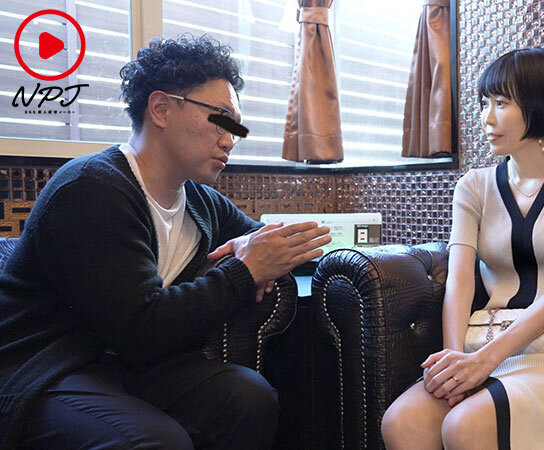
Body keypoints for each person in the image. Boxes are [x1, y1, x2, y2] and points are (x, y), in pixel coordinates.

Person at [0, 35, 331, 449]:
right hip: (44, 369)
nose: (229, 139)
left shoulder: (200, 202)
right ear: (160, 108)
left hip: (125, 366)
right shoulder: (90, 189)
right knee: (159, 440)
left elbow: (271, 245)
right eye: (221, 119)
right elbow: (141, 329)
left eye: (236, 127)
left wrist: (266, 252)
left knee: (249, 397)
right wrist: (245, 270)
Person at [381, 48, 544, 449]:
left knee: (465, 425)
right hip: (485, 341)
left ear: (541, 104)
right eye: (484, 103)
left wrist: (483, 362)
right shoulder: (473, 187)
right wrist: (456, 361)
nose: (486, 117)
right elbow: (459, 282)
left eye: (501, 103)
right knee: (401, 422)